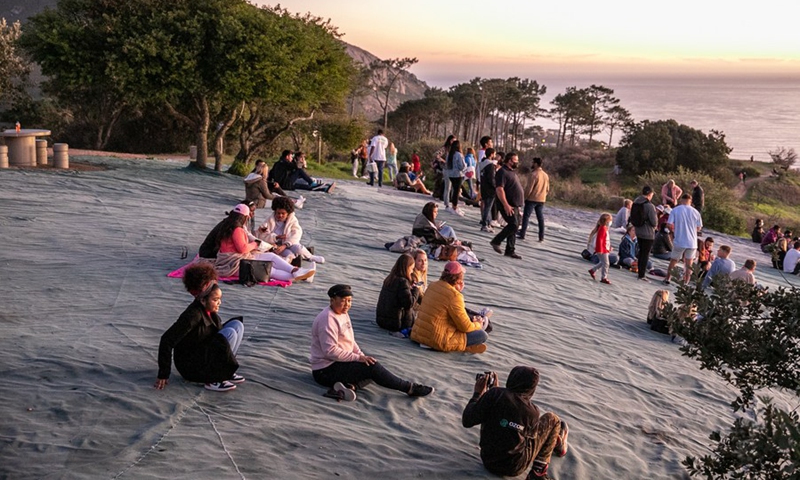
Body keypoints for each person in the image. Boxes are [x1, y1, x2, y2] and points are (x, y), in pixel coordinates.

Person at [310, 284, 434, 401]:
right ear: (332, 300)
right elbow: (330, 352)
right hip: (325, 370)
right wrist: (357, 358)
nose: (347, 304)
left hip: (339, 362)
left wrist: (361, 356)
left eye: (349, 300)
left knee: (372, 365)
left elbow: (350, 341)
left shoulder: (343, 314)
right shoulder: (327, 320)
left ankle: (348, 387)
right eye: (343, 300)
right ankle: (409, 388)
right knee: (373, 369)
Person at [462, 366, 568, 479]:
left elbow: (467, 420)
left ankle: (554, 442)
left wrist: (478, 394)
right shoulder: (532, 411)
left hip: (488, 461)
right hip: (515, 467)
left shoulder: (494, 395)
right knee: (553, 419)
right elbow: (528, 437)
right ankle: (539, 471)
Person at [156, 263, 244, 392]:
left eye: (220, 299)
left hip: (204, 352)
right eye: (215, 299)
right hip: (192, 366)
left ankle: (225, 370)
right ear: (203, 300)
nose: (219, 302)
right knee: (229, 333)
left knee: (237, 325)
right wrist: (163, 373)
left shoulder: (210, 312)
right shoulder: (192, 315)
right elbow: (166, 340)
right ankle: (214, 378)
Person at [213, 204, 316, 282]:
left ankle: (295, 270)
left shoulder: (227, 226)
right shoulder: (237, 229)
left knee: (271, 256)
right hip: (234, 263)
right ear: (244, 217)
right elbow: (242, 248)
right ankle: (302, 276)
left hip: (238, 258)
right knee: (270, 270)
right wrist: (255, 244)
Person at [410, 261, 488, 353]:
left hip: (418, 335)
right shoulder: (454, 296)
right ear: (459, 278)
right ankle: (465, 347)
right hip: (437, 340)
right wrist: (478, 324)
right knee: (482, 335)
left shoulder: (432, 285)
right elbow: (465, 327)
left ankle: (466, 347)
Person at [255, 196, 325, 265]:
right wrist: (276, 237)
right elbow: (262, 235)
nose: (280, 215)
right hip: (276, 246)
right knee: (289, 254)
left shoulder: (292, 220)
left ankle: (310, 257)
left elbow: (297, 233)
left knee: (298, 248)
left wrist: (285, 244)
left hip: (289, 243)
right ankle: (293, 261)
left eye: (283, 213)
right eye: (278, 213)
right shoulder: (269, 220)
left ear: (288, 213)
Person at [376, 254, 421, 335]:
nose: (412, 271)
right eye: (411, 268)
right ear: (406, 268)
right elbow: (409, 304)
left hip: (381, 320)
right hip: (395, 324)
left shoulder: (389, 279)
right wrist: (416, 290)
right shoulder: (402, 282)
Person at [490, 152, 524, 259]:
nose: (517, 163)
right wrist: (506, 205)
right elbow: (500, 189)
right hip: (507, 204)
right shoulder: (502, 172)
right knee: (513, 225)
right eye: (515, 160)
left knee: (515, 226)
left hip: (514, 204)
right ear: (509, 161)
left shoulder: (511, 172)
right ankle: (496, 241)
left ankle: (510, 250)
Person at [663, 194, 703, 285]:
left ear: (681, 200)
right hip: (692, 241)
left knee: (674, 260)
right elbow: (699, 227)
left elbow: (669, 224)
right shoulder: (696, 212)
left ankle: (668, 278)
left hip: (680, 240)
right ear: (690, 201)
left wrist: (673, 232)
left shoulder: (675, 210)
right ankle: (686, 281)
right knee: (689, 262)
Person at [519, 157, 550, 242]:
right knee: (540, 218)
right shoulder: (545, 175)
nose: (531, 164)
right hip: (541, 199)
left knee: (526, 217)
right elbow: (547, 189)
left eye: (533, 163)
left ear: (536, 164)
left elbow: (529, 188)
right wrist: (543, 196)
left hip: (532, 199)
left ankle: (522, 234)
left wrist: (524, 197)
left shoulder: (533, 174)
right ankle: (541, 236)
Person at [632, 186, 659, 282]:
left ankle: (639, 272)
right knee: (645, 254)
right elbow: (654, 222)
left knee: (641, 252)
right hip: (648, 233)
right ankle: (642, 274)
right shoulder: (649, 206)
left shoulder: (636, 202)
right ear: (649, 194)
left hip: (638, 230)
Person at [587, 213, 613, 285]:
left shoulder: (605, 228)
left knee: (603, 262)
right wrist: (600, 249)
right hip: (602, 250)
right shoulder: (602, 229)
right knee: (606, 263)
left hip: (604, 249)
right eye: (610, 220)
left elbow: (606, 240)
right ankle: (603, 278)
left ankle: (593, 270)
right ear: (607, 221)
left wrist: (608, 248)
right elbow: (600, 240)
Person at [444, 140, 467, 216]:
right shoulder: (458, 154)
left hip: (451, 174)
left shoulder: (449, 154)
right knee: (456, 191)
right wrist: (465, 168)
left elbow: (447, 164)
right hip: (458, 174)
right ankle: (454, 207)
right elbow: (461, 166)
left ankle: (454, 206)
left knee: (454, 190)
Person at [479, 147, 498, 232]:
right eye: (494, 153)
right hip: (490, 189)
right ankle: (484, 224)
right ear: (491, 154)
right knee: (488, 207)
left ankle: (488, 223)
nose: (495, 155)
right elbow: (491, 178)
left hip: (483, 187)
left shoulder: (482, 163)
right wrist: (495, 187)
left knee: (487, 207)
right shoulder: (490, 165)